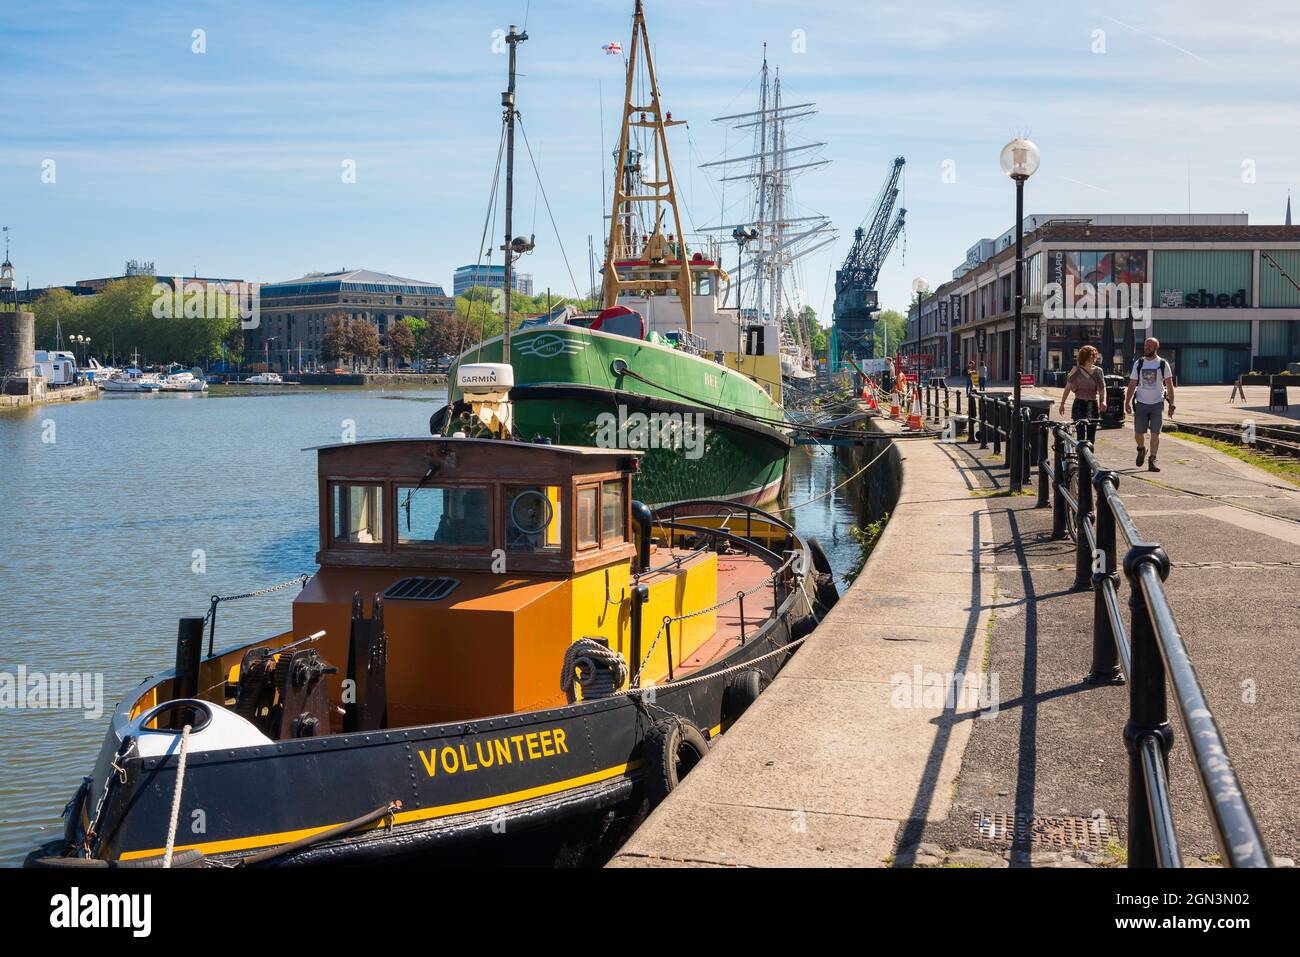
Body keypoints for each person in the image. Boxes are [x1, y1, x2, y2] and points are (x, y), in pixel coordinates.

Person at [1125, 336, 1175, 473]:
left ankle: (1152, 459)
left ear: (1156, 348)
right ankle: (1141, 449)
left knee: (1155, 433)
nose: (1146, 348)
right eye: (1145, 346)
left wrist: (1172, 404)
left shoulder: (1163, 364)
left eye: (1149, 346)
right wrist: (1127, 401)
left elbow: (1169, 385)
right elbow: (1132, 384)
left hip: (1157, 403)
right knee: (1138, 433)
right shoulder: (1139, 363)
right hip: (1141, 402)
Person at [1059, 344, 1107, 445]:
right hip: (1079, 404)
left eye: (1095, 355)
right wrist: (1062, 403)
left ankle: (1089, 459)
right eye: (1092, 355)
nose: (1095, 358)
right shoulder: (1075, 370)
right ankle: (1081, 458)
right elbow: (1067, 388)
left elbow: (1102, 389)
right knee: (1080, 435)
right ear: (1086, 357)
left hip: (1092, 404)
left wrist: (1103, 401)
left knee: (1091, 436)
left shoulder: (1098, 371)